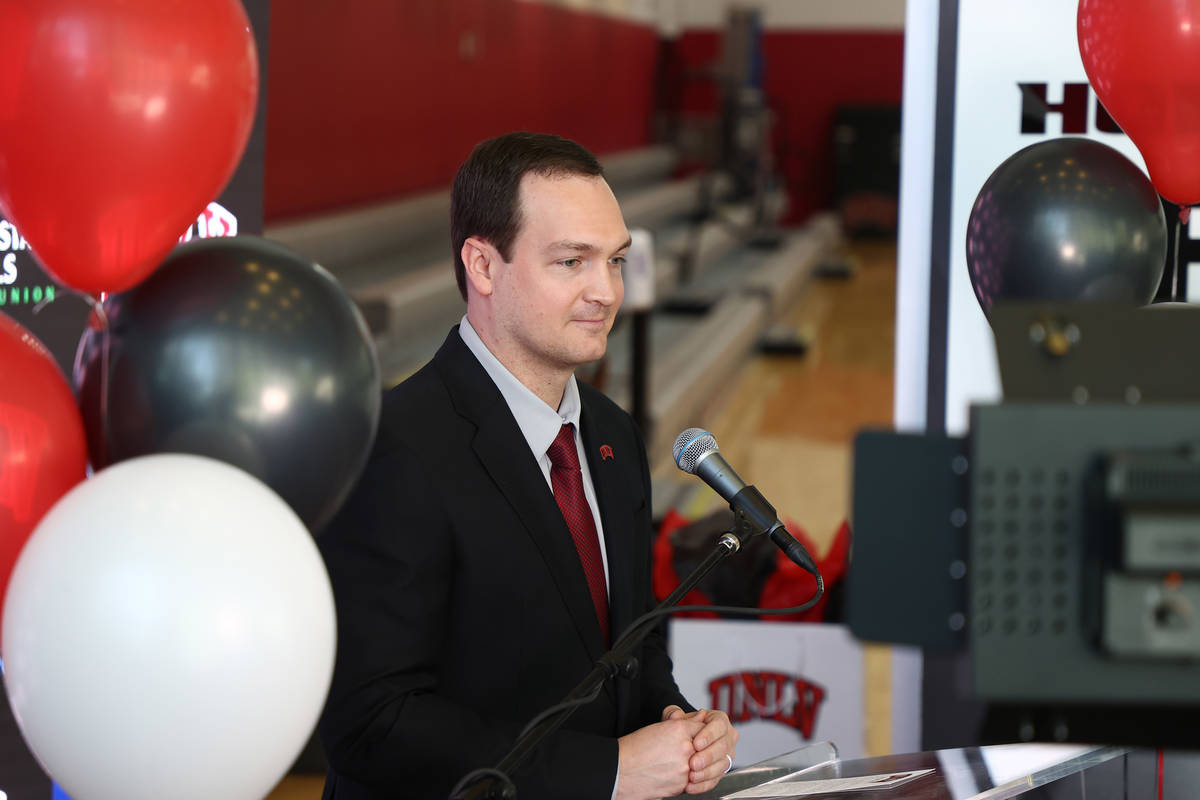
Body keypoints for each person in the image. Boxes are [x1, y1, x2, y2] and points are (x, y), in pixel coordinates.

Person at [317, 132, 737, 800]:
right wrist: (611, 773)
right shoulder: (395, 447)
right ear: (483, 267)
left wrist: (676, 720)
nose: (606, 291)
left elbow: (632, 648)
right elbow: (372, 722)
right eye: (572, 262)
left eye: (616, 261)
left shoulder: (611, 434)